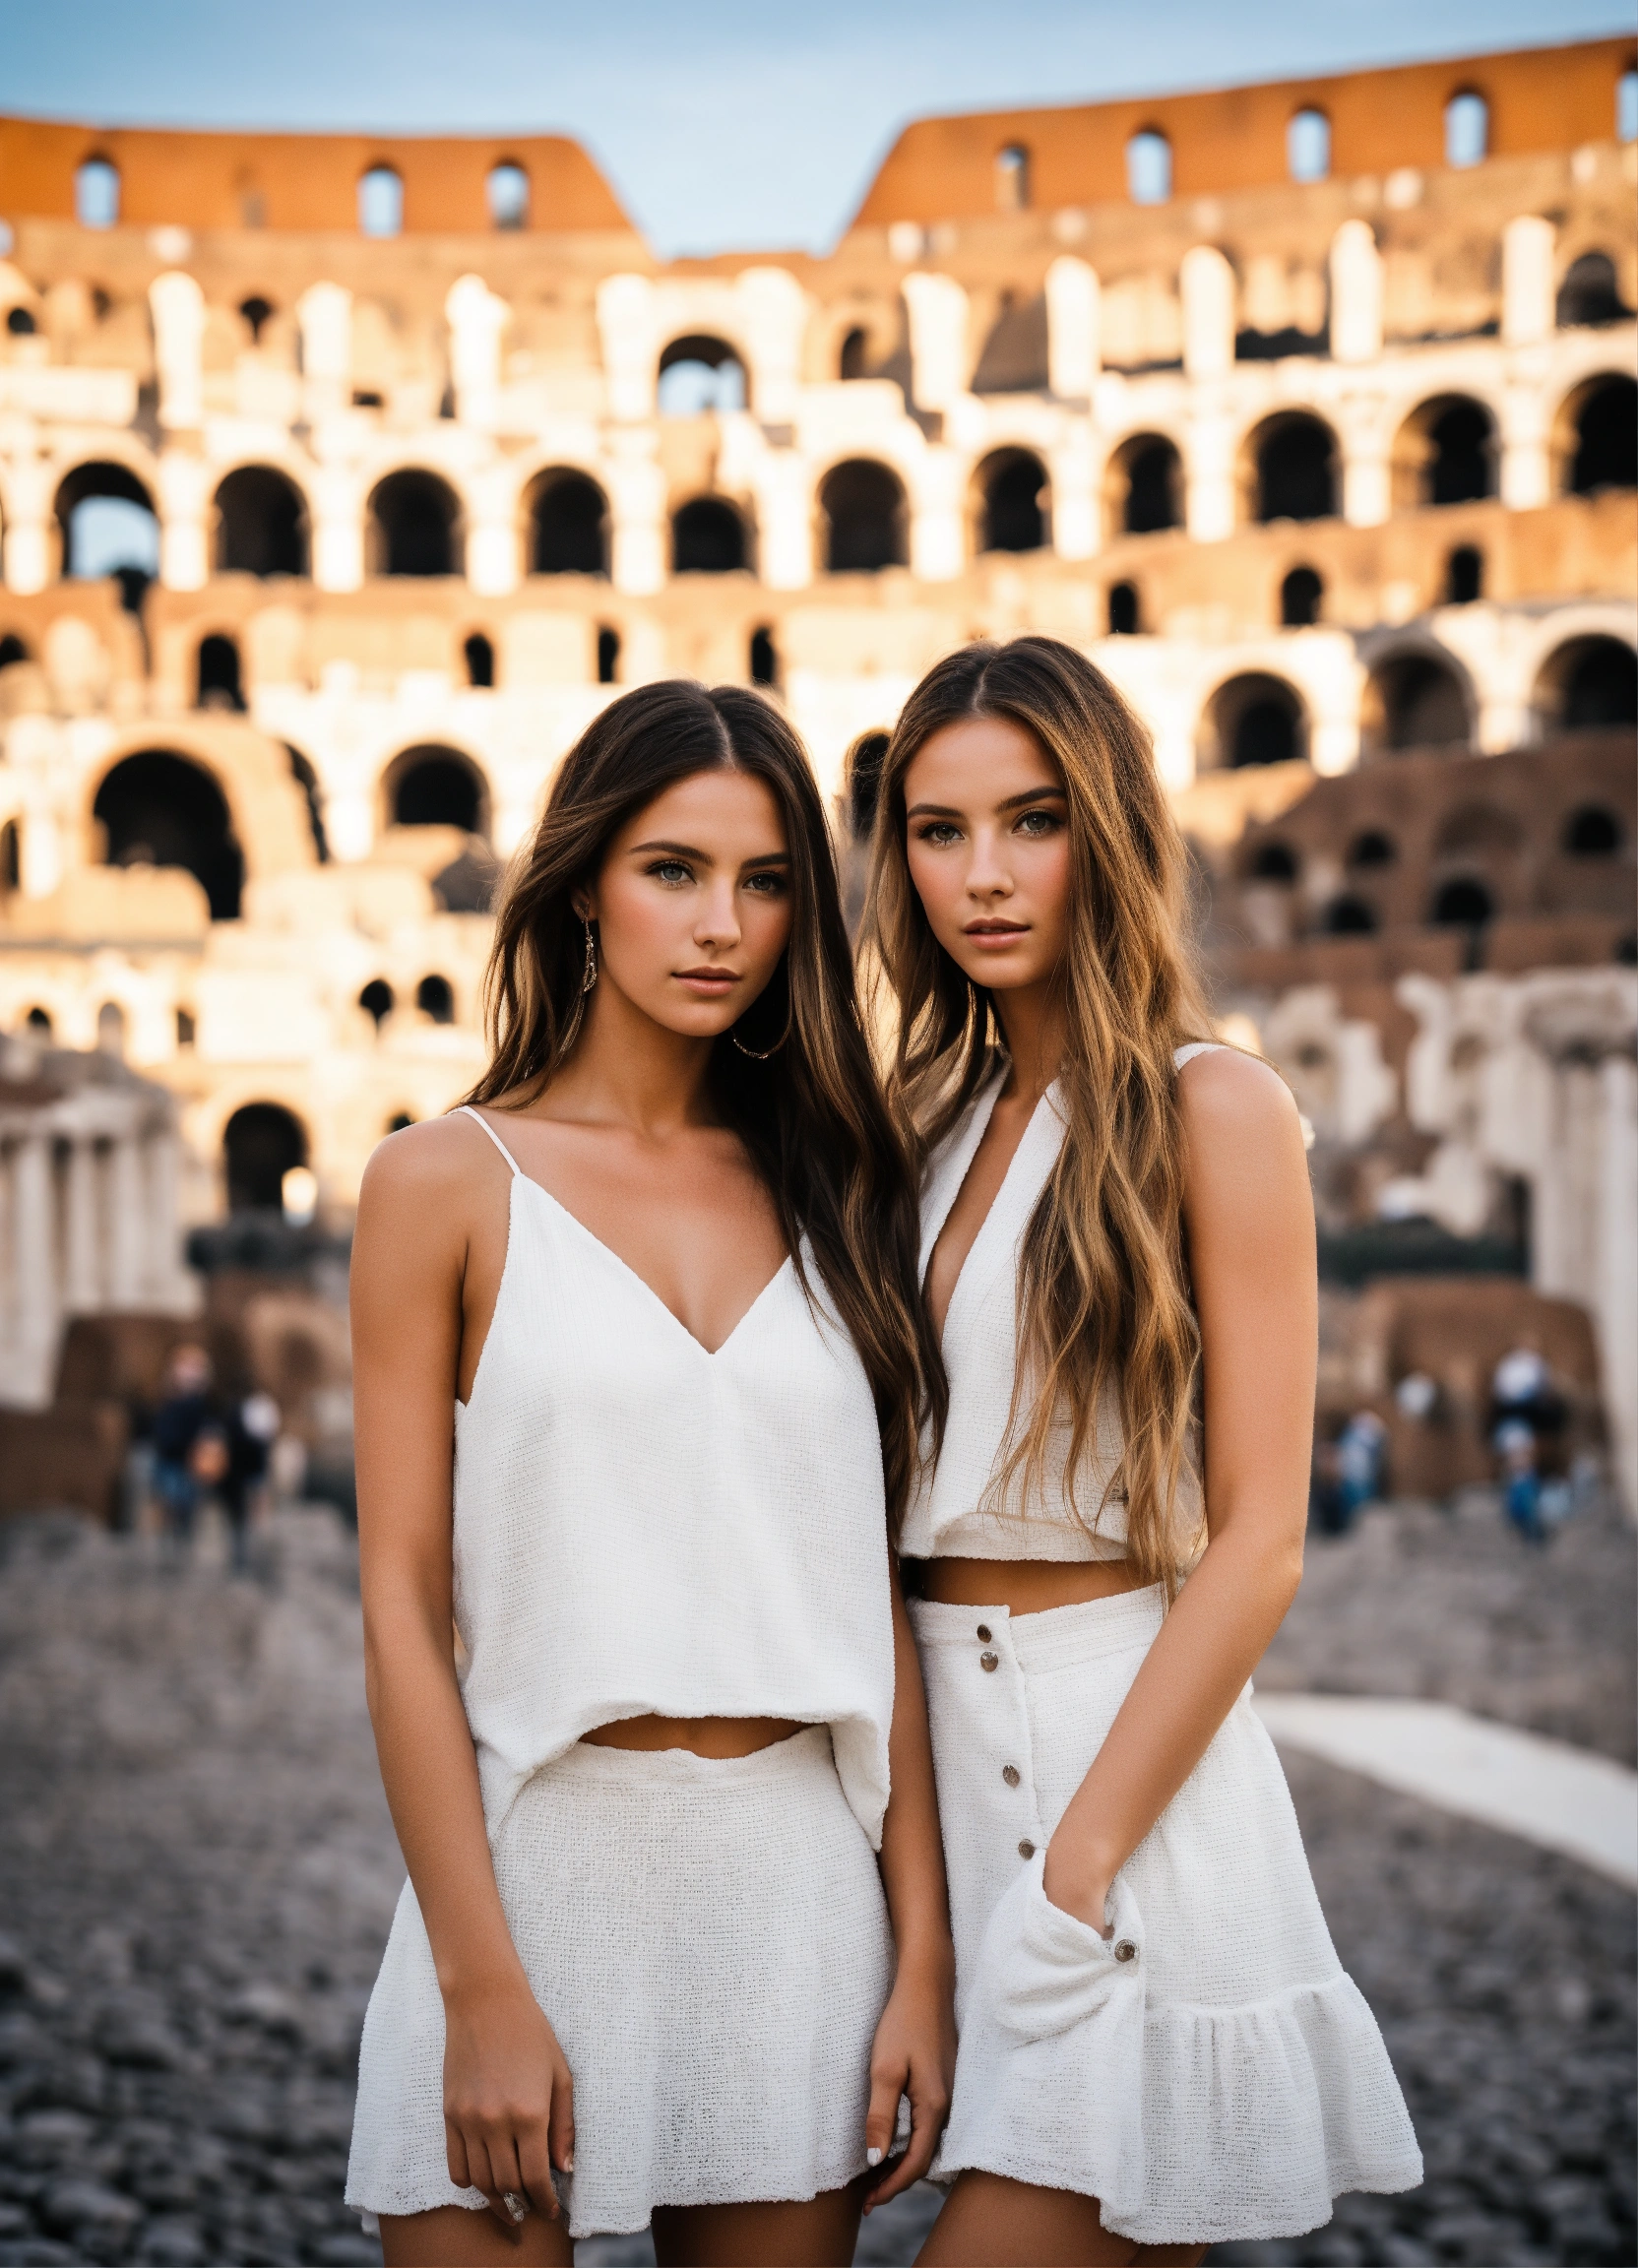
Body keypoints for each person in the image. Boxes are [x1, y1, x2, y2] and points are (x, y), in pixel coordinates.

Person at [345, 681, 954, 2267]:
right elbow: (405, 1612)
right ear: (582, 884)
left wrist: (924, 1963)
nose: (722, 925)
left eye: (765, 884)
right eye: (673, 869)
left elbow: (871, 1593)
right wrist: (480, 1982)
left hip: (796, 1888)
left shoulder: (842, 1184)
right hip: (534, 1864)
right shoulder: (440, 1183)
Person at [863, 637, 1421, 2266]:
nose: (979, 874)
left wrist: (1076, 1869)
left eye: (1026, 821)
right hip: (938, 1785)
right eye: (934, 828)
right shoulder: (918, 1126)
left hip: (1116, 1791)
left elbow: (1256, 1539)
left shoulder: (1210, 1104)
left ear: (1102, 828)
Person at [150, 1343, 218, 1552]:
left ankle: (183, 1546)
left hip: (191, 1463)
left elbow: (209, 1432)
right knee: (169, 1506)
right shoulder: (169, 1401)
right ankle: (169, 1547)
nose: (189, 1373)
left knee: (188, 1508)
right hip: (171, 1461)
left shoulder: (202, 1404)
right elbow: (162, 1432)